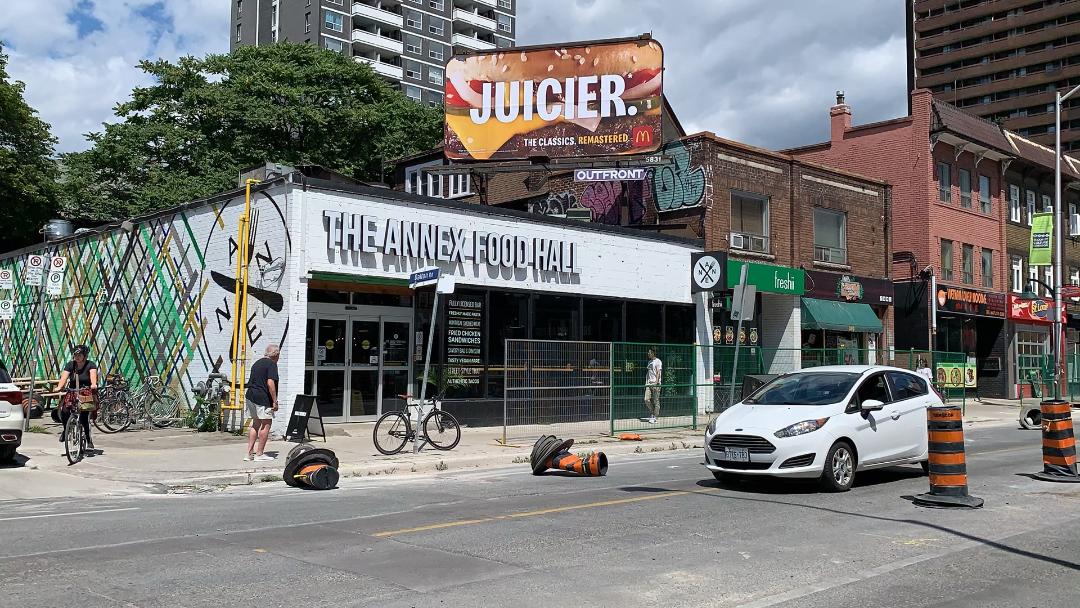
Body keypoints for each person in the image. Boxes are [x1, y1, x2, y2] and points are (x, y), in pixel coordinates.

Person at [55, 345, 98, 450]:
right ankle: (66, 430)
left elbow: (93, 377)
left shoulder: (90, 365)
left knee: (84, 417)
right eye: (75, 355)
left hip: (86, 392)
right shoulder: (70, 365)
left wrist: (93, 384)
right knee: (64, 411)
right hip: (73, 391)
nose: (77, 357)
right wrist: (59, 387)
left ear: (85, 355)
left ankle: (88, 439)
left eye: (79, 355)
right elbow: (64, 377)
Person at [245, 344, 280, 462]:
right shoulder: (271, 364)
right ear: (276, 355)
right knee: (266, 424)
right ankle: (259, 454)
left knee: (255, 423)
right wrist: (274, 401)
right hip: (262, 398)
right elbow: (270, 383)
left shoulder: (257, 363)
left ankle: (249, 454)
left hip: (250, 396)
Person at [644, 348, 662, 424]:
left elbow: (658, 372)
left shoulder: (658, 361)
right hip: (649, 383)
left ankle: (655, 416)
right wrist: (646, 383)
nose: (648, 354)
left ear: (653, 353)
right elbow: (648, 373)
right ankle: (652, 413)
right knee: (646, 399)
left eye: (649, 353)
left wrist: (656, 382)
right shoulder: (649, 362)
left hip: (656, 384)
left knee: (656, 401)